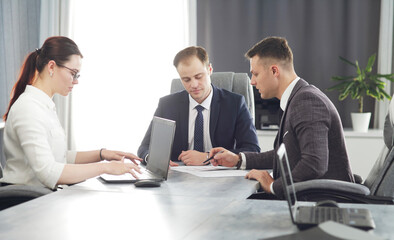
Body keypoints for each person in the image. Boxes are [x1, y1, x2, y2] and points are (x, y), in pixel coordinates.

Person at [209, 36, 354, 197]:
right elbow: (285, 153)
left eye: (255, 74)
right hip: (308, 195)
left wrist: (273, 186)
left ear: (274, 71)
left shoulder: (307, 101)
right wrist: (238, 159)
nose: (252, 82)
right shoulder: (296, 99)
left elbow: (315, 164)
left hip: (322, 201)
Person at [0, 36, 141, 190]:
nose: (76, 81)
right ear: (52, 67)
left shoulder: (43, 105)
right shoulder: (28, 108)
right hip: (24, 200)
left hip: (40, 195)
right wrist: (106, 168)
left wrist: (102, 154)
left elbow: (60, 157)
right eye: (73, 73)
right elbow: (48, 172)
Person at [138, 46, 260, 166]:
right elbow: (145, 147)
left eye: (198, 77)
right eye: (186, 80)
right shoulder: (167, 105)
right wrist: (155, 160)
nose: (194, 85)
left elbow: (252, 149)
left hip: (221, 177)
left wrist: (208, 157)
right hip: (178, 178)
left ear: (210, 70)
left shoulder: (234, 103)